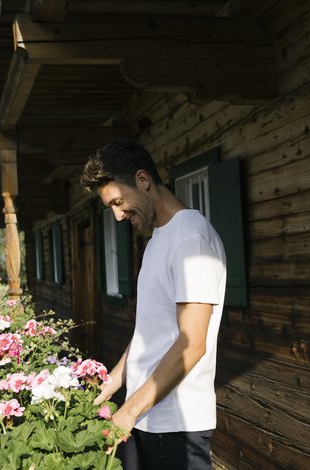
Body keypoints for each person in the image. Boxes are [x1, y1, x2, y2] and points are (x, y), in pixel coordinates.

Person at [80, 139, 227, 469]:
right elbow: (149, 333)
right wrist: (108, 387)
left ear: (143, 180)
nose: (118, 216)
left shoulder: (191, 237)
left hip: (175, 424)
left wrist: (128, 411)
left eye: (119, 202)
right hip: (145, 417)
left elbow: (192, 345)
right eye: (111, 208)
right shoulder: (157, 241)